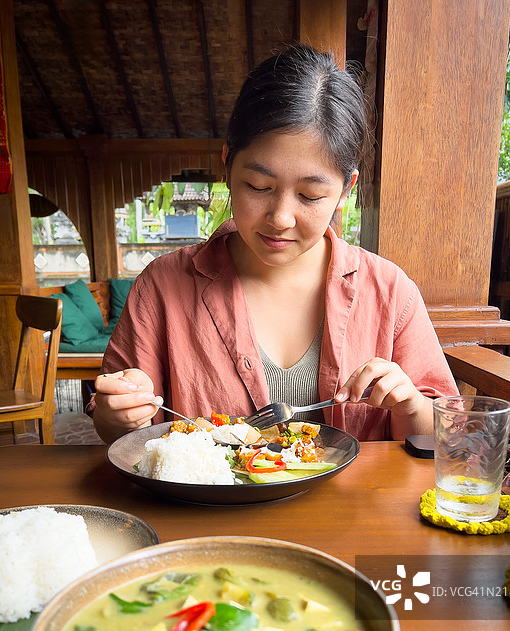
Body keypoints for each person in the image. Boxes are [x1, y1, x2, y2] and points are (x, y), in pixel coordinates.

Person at [92, 44, 457, 444]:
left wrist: (410, 407)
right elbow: (115, 431)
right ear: (227, 165)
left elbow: (445, 441)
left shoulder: (389, 292)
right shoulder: (163, 286)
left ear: (345, 189)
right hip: (205, 509)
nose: (280, 218)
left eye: (310, 195)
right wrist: (119, 415)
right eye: (258, 186)